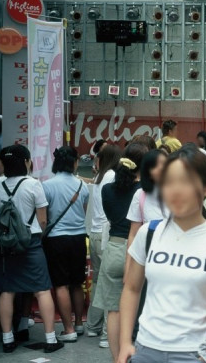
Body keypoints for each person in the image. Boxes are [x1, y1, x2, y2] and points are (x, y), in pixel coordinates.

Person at [117, 147, 206, 363]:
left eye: (186, 182)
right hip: (145, 349)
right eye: (169, 182)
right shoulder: (148, 233)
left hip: (194, 353)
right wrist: (125, 342)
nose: (176, 191)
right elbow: (132, 289)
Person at [0, 145, 64, 354]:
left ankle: (7, 339)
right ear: (26, 162)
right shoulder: (33, 184)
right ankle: (50, 339)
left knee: (7, 290)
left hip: (6, 245)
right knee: (42, 289)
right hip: (30, 242)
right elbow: (43, 219)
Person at [92, 143, 148, 362]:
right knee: (141, 306)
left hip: (114, 248)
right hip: (138, 251)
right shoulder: (144, 191)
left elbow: (110, 217)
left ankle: (118, 358)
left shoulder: (107, 189)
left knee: (113, 309)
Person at [42, 147, 90, 342]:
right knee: (77, 283)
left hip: (56, 239)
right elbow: (83, 212)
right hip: (79, 237)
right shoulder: (82, 185)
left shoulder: (47, 185)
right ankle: (78, 324)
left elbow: (44, 215)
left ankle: (68, 330)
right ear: (74, 163)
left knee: (61, 285)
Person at [86, 145, 121, 348]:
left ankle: (93, 325)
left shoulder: (100, 177)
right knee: (109, 285)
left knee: (98, 282)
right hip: (105, 235)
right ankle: (107, 335)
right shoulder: (111, 176)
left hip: (94, 233)